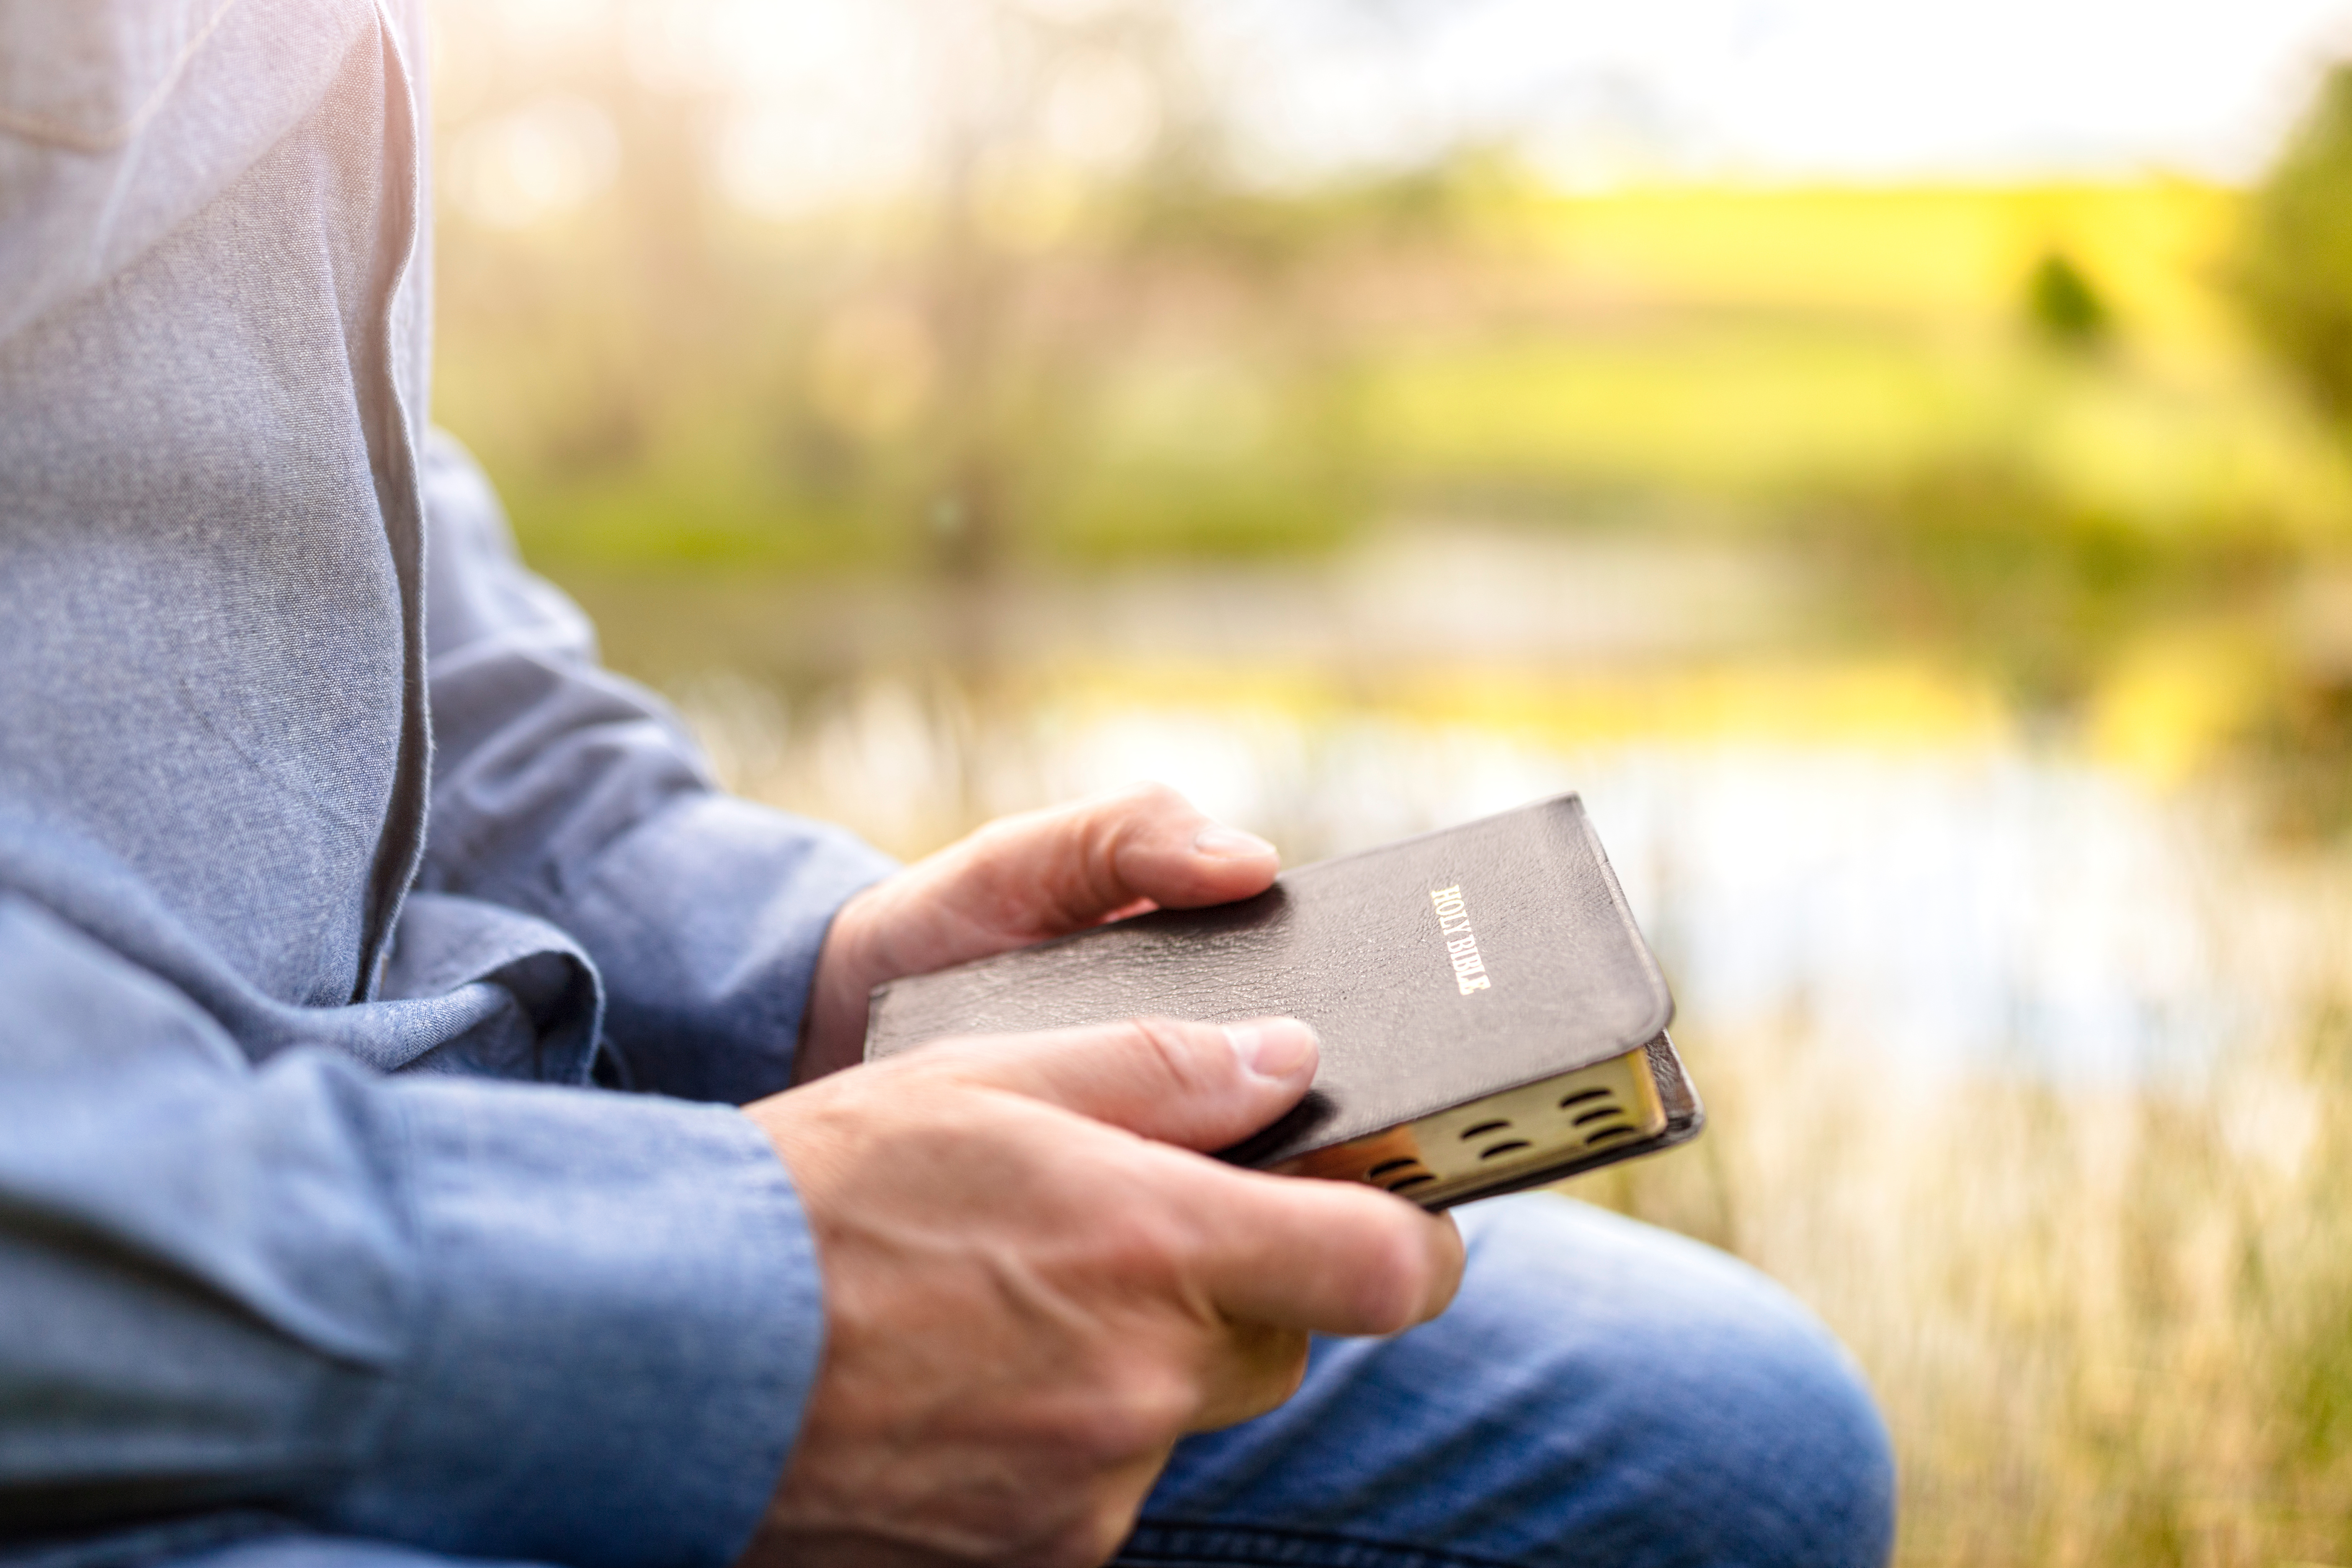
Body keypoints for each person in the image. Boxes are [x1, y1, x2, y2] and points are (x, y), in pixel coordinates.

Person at [0, 5, 1896, 1566]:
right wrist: (734, 1311)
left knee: (1735, 1443)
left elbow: (381, 590)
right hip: (136, 1301)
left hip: (436, 1134)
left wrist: (821, 970)